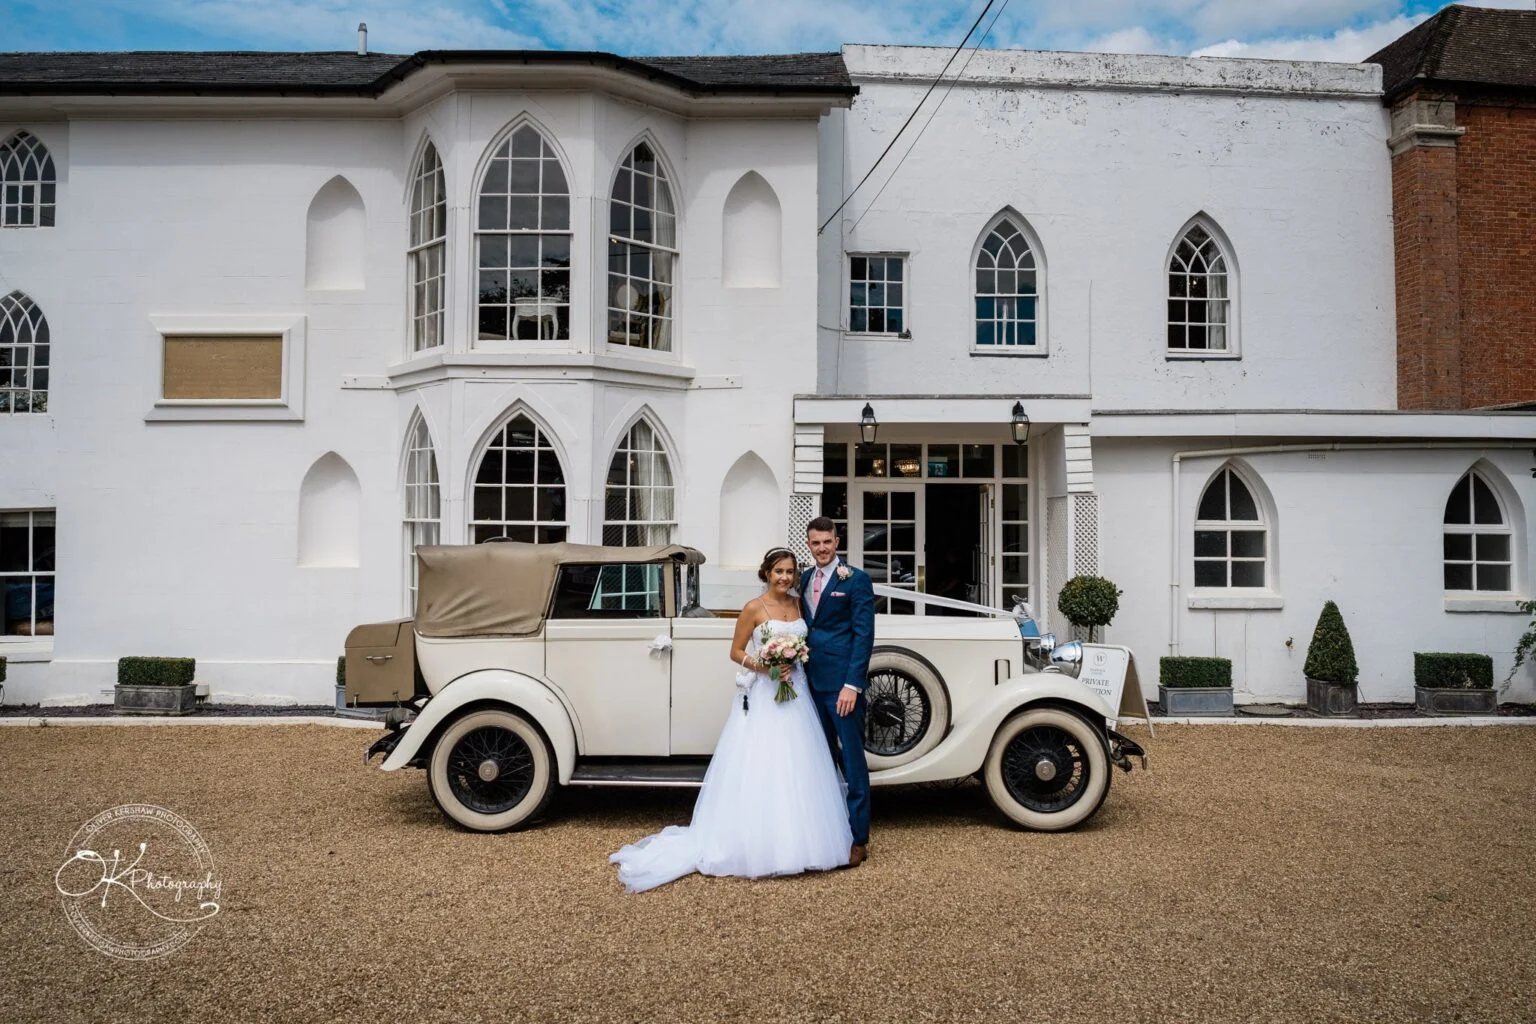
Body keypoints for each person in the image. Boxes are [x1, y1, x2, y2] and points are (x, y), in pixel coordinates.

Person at [609, 547, 854, 893]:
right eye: (778, 571)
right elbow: (736, 651)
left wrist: (794, 661)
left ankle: (803, 844)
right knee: (762, 763)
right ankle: (757, 846)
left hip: (797, 693)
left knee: (800, 763)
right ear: (766, 573)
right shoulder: (754, 608)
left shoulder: (801, 605)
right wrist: (765, 666)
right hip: (766, 694)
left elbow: (808, 644)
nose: (784, 578)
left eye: (789, 572)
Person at [800, 516, 875, 867]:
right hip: (809, 683)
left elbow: (864, 635)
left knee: (853, 761)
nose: (822, 548)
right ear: (809, 544)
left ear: (837, 541)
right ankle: (826, 832)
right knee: (819, 759)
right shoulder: (803, 579)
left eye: (827, 542)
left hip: (842, 687)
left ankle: (858, 838)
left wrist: (852, 685)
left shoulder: (856, 580)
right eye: (816, 543)